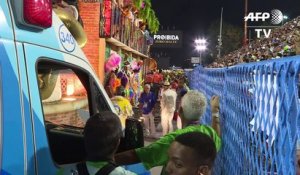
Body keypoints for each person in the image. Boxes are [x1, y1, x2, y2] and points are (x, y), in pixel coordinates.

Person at [115, 90, 221, 174]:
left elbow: (138, 155)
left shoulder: (174, 140)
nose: (168, 169)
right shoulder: (209, 134)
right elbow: (217, 136)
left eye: (178, 164)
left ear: (180, 111)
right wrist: (215, 113)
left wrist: (105, 160)